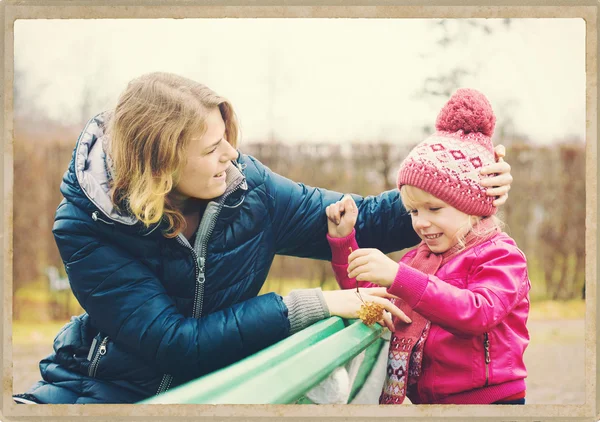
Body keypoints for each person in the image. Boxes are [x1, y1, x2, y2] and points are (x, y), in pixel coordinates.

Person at [14, 73, 513, 404]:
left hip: (222, 389)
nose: (231, 154)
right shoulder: (87, 227)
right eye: (212, 148)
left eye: (227, 136)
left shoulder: (249, 191)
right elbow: (175, 343)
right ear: (161, 164)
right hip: (103, 393)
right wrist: (316, 304)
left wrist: (463, 188)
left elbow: (365, 220)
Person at [326, 88, 530, 405]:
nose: (420, 222)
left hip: (488, 402)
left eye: (434, 209)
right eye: (414, 211)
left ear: (472, 205)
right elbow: (370, 296)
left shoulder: (501, 256)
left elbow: (477, 312)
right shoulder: (419, 259)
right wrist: (344, 243)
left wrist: (399, 277)